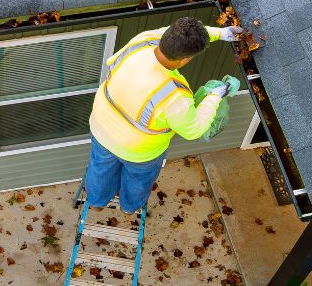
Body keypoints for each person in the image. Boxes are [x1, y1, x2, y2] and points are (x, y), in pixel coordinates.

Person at [85, 16, 243, 214]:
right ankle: (129, 207)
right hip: (139, 152)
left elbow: (176, 34)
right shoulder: (174, 96)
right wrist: (214, 96)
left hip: (101, 129)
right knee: (137, 180)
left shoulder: (143, 40)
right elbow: (193, 130)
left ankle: (97, 201)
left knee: (100, 169)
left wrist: (220, 33)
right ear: (185, 59)